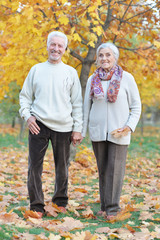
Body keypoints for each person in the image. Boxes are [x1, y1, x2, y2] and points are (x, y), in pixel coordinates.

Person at [19, 31, 83, 217]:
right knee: (34, 167)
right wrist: (27, 116)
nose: (56, 48)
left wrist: (77, 129)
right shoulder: (36, 69)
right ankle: (36, 205)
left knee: (62, 167)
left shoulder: (70, 72)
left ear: (64, 49)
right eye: (52, 44)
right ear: (47, 46)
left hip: (64, 126)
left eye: (60, 45)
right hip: (38, 123)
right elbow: (24, 97)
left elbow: (77, 103)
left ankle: (60, 201)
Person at [82, 42, 141, 220]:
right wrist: (81, 131)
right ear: (97, 59)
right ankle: (104, 205)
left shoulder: (127, 78)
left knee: (115, 170)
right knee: (103, 170)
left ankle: (113, 209)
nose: (104, 58)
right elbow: (86, 107)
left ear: (115, 57)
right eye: (101, 55)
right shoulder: (93, 80)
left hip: (119, 131)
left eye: (108, 55)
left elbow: (136, 106)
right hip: (98, 131)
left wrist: (129, 126)